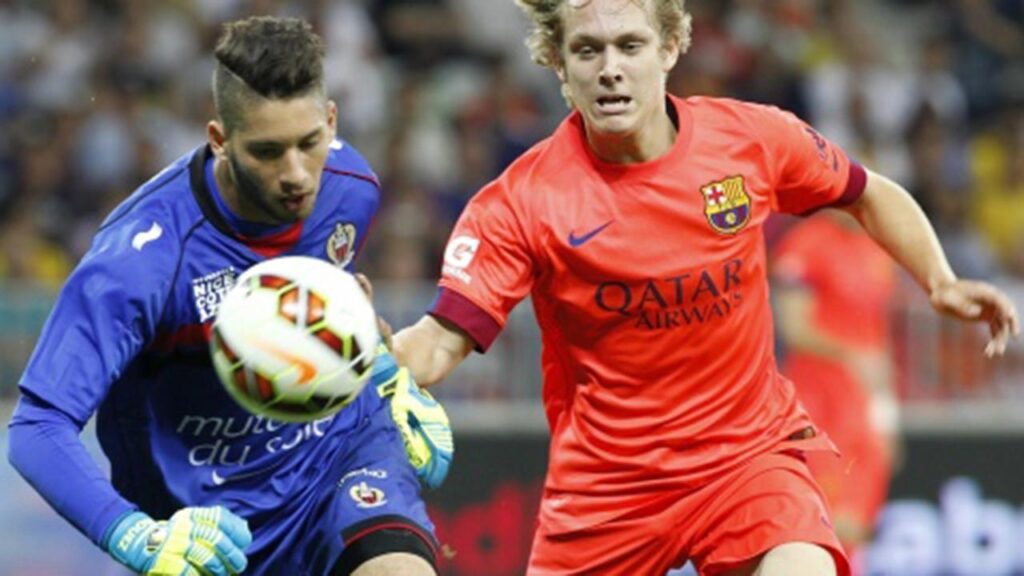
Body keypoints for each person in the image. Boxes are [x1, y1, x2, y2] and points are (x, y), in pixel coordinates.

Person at [386, 1, 1021, 575]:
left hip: (746, 458)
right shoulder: (519, 204)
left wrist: (939, 281)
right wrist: (366, 357)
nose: (610, 69)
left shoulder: (748, 140)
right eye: (587, 50)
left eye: (630, 46)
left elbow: (866, 192)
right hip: (607, 488)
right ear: (558, 64)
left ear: (669, 48)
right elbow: (438, 343)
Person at [6, 16, 450, 576]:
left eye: (309, 143)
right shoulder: (139, 261)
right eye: (267, 152)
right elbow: (37, 427)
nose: (296, 174)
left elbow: (328, 310)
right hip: (209, 526)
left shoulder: (351, 188)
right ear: (219, 140)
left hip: (340, 464)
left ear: (331, 121)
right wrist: (133, 534)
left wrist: (382, 369)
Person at [772, 211, 901, 573]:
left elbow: (878, 336)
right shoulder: (804, 244)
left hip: (863, 407)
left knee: (857, 524)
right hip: (818, 404)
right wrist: (851, 355)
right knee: (826, 522)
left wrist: (887, 416)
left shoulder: (877, 247)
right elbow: (795, 328)